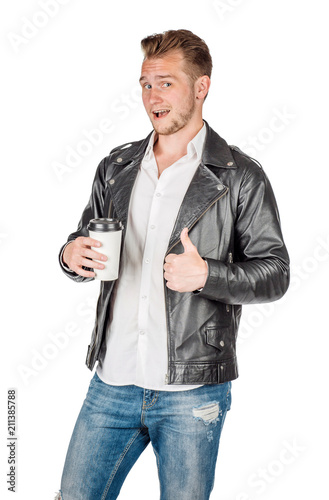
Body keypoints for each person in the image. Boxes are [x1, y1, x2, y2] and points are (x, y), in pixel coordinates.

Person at [56, 29, 289, 500]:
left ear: (201, 87)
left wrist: (208, 275)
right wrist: (69, 256)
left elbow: (275, 272)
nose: (151, 96)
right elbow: (83, 240)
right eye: (145, 84)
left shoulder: (240, 176)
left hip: (193, 392)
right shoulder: (115, 166)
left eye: (165, 83)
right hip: (111, 383)